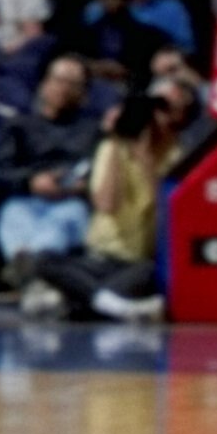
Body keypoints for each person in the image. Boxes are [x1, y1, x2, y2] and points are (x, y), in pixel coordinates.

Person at [22, 93, 169, 324]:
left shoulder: (172, 155)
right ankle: (109, 305)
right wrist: (117, 147)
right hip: (98, 258)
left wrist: (147, 164)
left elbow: (167, 210)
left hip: (136, 262)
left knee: (147, 273)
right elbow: (107, 204)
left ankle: (78, 300)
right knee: (43, 260)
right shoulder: (109, 149)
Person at [0, 54, 100, 278]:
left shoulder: (94, 131)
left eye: (72, 84)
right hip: (27, 198)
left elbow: (101, 175)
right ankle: (30, 267)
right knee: (13, 214)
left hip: (71, 201)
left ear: (84, 93)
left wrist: (78, 187)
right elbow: (2, 171)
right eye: (58, 80)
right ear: (44, 84)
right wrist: (32, 181)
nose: (64, 88)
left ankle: (31, 268)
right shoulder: (18, 126)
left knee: (62, 220)